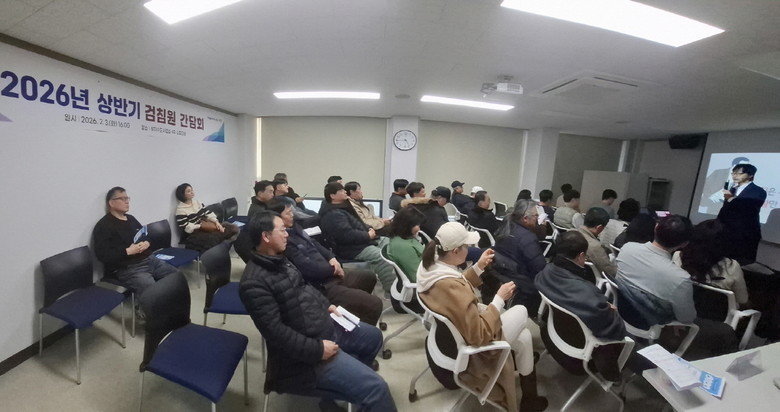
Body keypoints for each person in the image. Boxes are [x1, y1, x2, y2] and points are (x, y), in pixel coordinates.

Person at [239, 211, 396, 411]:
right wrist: (318, 350)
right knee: (377, 389)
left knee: (373, 337)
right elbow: (276, 333)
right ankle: (354, 390)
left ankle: (344, 393)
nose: (287, 234)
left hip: (322, 326)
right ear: (266, 236)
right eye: (282, 230)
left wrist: (326, 304)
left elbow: (305, 286)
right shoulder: (253, 283)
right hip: (303, 358)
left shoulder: (280, 258)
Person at [416, 222, 547, 412]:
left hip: (447, 337)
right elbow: (479, 334)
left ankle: (530, 398)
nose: (470, 249)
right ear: (455, 251)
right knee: (521, 311)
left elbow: (458, 288)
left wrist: (478, 267)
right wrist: (499, 299)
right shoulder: (448, 284)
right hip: (473, 347)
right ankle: (530, 398)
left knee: (524, 337)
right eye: (467, 246)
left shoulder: (431, 266)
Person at [616, 215, 738, 358]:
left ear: (656, 228)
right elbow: (686, 318)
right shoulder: (679, 278)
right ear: (684, 244)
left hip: (626, 318)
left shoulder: (627, 248)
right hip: (656, 326)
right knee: (727, 331)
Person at [268, 200, 383, 325]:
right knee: (374, 304)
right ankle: (358, 330)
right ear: (277, 219)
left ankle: (352, 315)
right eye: (288, 213)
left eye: (292, 212)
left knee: (368, 277)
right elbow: (308, 270)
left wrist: (331, 258)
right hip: (321, 285)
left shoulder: (295, 228)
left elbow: (314, 244)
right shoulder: (284, 242)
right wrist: (333, 270)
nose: (292, 215)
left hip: (329, 272)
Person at [535, 231, 627, 380]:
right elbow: (615, 330)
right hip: (580, 358)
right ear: (581, 256)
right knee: (631, 343)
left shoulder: (545, 272)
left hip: (552, 338)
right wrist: (610, 311)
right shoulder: (589, 295)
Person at [93, 187, 178, 298]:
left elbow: (145, 235)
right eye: (122, 198)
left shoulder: (131, 219)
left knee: (176, 276)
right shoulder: (103, 226)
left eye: (127, 198)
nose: (127, 201)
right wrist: (127, 251)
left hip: (149, 259)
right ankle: (149, 306)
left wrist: (147, 242)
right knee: (152, 291)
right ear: (111, 203)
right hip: (129, 268)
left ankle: (170, 302)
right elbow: (102, 255)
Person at [318, 182, 396, 294]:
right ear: (332, 196)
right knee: (382, 257)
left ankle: (400, 281)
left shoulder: (343, 207)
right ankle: (392, 291)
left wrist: (369, 229)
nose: (345, 192)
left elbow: (359, 223)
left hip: (363, 241)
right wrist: (367, 235)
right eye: (341, 190)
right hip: (352, 249)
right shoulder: (333, 214)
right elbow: (346, 235)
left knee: (392, 245)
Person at [674, 219, 749, 307]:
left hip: (680, 308)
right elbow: (742, 299)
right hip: (717, 314)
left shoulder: (679, 256)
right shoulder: (732, 267)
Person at [492, 199, 547, 312]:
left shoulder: (505, 226)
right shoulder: (528, 238)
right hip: (522, 281)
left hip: (503, 273)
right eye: (536, 216)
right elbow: (540, 267)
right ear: (525, 218)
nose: (538, 218)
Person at [717, 163, 767, 264]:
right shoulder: (732, 189)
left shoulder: (758, 191)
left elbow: (748, 209)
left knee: (741, 263)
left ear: (750, 175)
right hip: (726, 232)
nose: (735, 176)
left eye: (739, 173)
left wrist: (730, 198)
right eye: (733, 173)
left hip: (745, 234)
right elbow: (726, 209)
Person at [173, 183, 239, 253]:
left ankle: (223, 250)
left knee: (232, 228)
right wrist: (201, 226)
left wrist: (217, 223)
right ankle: (213, 255)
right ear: (182, 195)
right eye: (189, 191)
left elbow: (208, 213)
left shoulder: (198, 202)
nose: (192, 192)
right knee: (214, 237)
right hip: (195, 232)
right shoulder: (180, 210)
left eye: (192, 190)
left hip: (207, 225)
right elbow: (186, 227)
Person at [386, 206, 425, 282]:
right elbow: (416, 276)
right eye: (417, 225)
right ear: (407, 226)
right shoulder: (402, 247)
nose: (419, 229)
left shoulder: (404, 238)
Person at [577, 207, 617, 279]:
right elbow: (610, 272)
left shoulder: (570, 232)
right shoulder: (595, 246)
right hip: (589, 279)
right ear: (599, 227)